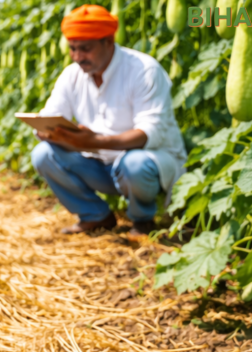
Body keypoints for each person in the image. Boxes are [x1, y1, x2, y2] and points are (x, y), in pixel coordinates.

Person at [30, 4, 186, 238]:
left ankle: (142, 220)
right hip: (100, 167)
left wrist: (96, 141)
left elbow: (149, 133)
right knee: (43, 154)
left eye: (85, 48)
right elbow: (51, 114)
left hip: (146, 166)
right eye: (73, 49)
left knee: (135, 163)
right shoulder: (72, 75)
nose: (77, 56)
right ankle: (95, 216)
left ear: (109, 41)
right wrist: (46, 130)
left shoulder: (144, 70)